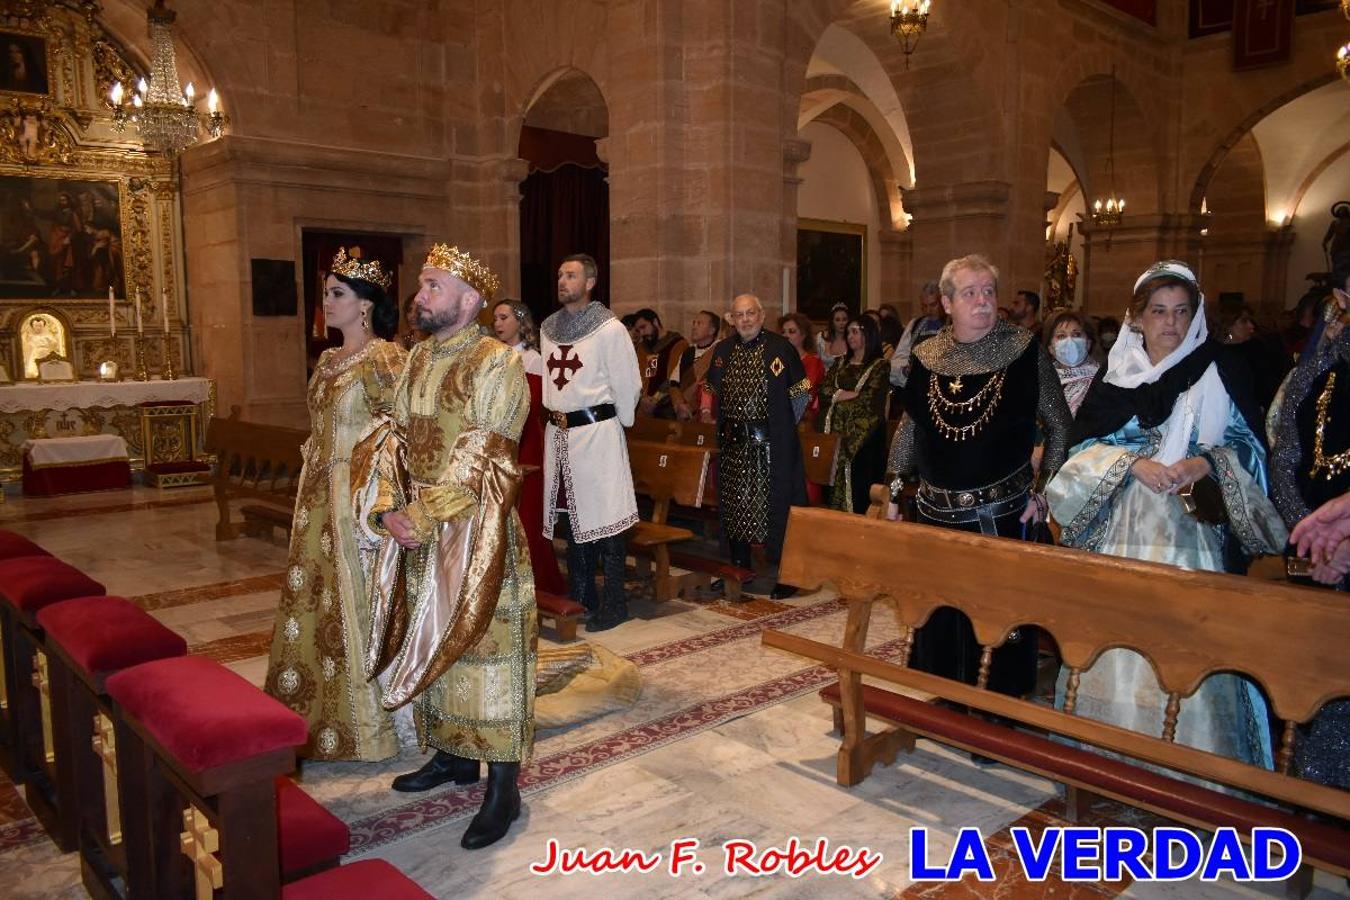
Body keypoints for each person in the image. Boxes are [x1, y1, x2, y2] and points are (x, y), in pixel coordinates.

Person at [1046, 260, 1286, 769]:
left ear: (1195, 315)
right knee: (1119, 630)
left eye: (1181, 311)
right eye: (1158, 311)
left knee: (1190, 635)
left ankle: (1195, 762)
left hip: (1195, 533)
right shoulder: (1115, 379)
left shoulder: (1221, 368)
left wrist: (1205, 461)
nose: (1170, 323)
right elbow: (1078, 452)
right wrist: (1132, 464)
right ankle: (1110, 752)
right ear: (1137, 317)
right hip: (1123, 529)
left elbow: (1254, 450)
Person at [357, 244, 535, 849]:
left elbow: (486, 458)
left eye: (433, 286)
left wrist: (422, 514)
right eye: (422, 285)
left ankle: (502, 786)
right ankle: (451, 757)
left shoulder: (497, 362)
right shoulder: (418, 357)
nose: (419, 296)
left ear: (471, 299)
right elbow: (391, 441)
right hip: (419, 527)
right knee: (433, 643)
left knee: (487, 652)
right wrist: (387, 509)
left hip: (475, 533)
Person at [886, 254, 1071, 700]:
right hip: (934, 513)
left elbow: (1061, 425)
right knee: (941, 615)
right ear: (947, 303)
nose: (984, 302)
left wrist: (1044, 491)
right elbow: (912, 427)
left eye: (989, 291)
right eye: (971, 293)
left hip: (1002, 514)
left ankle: (998, 714)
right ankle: (946, 701)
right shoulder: (927, 355)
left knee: (999, 621)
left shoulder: (1024, 350)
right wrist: (894, 487)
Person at [265, 247, 406, 762]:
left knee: (351, 601)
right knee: (313, 599)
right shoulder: (327, 360)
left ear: (365, 305)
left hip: (355, 495)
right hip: (315, 493)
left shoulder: (386, 358)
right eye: (325, 293)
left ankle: (364, 724)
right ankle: (309, 710)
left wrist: (380, 500)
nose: (326, 302)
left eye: (337, 293)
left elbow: (399, 434)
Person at [1271, 270, 1349, 788]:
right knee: (1320, 688)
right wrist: (1311, 536)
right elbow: (1285, 450)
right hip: (1317, 545)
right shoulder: (1321, 365)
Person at [541, 254, 641, 631]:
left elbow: (627, 382)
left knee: (607, 517)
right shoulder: (549, 327)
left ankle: (616, 601)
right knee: (572, 516)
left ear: (590, 282)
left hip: (597, 434)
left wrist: (621, 425)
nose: (563, 281)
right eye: (560, 275)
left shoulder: (610, 328)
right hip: (559, 435)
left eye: (571, 275)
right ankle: (583, 593)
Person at [702, 294, 809, 598]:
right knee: (737, 507)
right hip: (735, 447)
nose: (745, 320)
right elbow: (712, 392)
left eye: (751, 313)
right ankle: (740, 568)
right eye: (739, 315)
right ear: (731, 319)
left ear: (762, 316)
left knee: (774, 508)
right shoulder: (722, 351)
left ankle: (786, 576)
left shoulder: (780, 348)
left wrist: (783, 428)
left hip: (770, 447)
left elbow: (800, 395)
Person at [492, 298, 568, 597]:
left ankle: (538, 585)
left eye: (504, 317)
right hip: (499, 444)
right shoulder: (494, 356)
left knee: (527, 518)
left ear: (520, 322)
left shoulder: (534, 360)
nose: (497, 323)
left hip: (526, 444)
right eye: (495, 318)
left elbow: (532, 406)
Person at [820, 315, 889, 514]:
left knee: (859, 490)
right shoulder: (840, 362)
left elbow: (869, 400)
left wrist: (837, 398)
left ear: (868, 335)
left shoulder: (879, 366)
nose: (850, 336)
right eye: (848, 332)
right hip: (834, 437)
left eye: (855, 331)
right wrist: (849, 395)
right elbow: (824, 391)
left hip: (863, 440)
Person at [633, 308, 688, 418]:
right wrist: (643, 398)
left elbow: (673, 377)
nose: (642, 333)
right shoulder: (644, 348)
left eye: (644, 327)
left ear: (655, 322)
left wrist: (655, 398)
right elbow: (644, 376)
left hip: (667, 400)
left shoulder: (677, 343)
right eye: (639, 330)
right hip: (645, 402)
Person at [667, 309, 721, 421]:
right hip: (684, 408)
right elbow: (674, 383)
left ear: (712, 330)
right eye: (694, 323)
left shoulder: (720, 350)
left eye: (699, 323)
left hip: (710, 407)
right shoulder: (687, 352)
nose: (694, 327)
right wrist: (679, 404)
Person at [890, 281, 945, 388]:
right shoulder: (915, 325)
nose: (928, 310)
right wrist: (905, 370)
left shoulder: (954, 324)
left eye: (933, 305)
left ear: (943, 301)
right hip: (916, 384)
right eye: (924, 306)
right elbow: (899, 357)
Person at [1043, 310, 1099, 416]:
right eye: (1061, 336)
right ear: (1051, 348)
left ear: (1088, 343)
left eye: (1076, 334)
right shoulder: (1042, 381)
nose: (1070, 341)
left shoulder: (1100, 382)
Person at [815, 302, 849, 370]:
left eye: (844, 319)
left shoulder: (852, 339)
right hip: (824, 378)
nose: (841, 323)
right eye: (837, 320)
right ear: (832, 322)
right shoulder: (821, 338)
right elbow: (815, 363)